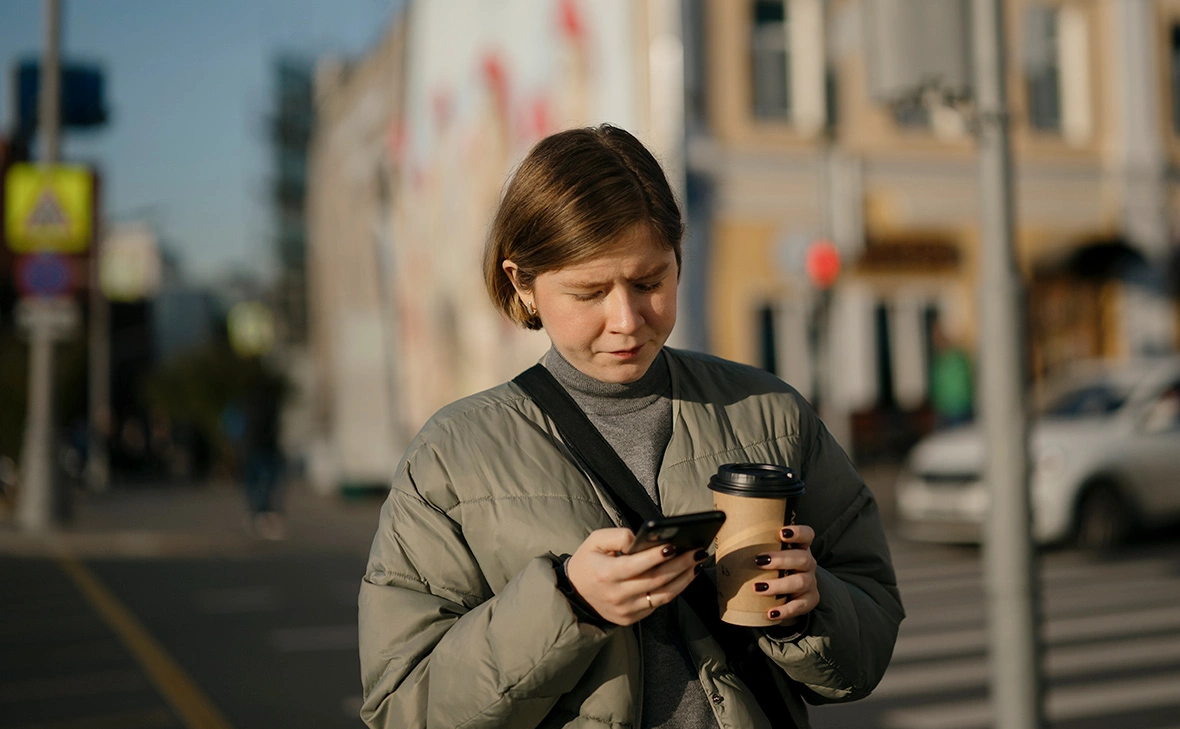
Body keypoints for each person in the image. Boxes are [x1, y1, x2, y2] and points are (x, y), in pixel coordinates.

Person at [359, 125, 903, 729]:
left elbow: (870, 633)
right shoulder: (451, 457)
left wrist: (809, 606)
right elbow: (402, 708)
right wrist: (567, 603)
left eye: (650, 283)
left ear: (678, 257)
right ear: (523, 284)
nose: (626, 320)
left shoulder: (768, 411)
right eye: (588, 292)